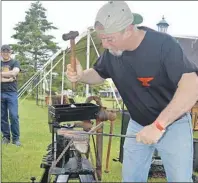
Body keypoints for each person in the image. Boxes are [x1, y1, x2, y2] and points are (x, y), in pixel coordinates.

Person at [66, 1, 198, 182]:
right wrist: (82, 75)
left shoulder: (163, 45)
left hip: (173, 124)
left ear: (128, 30)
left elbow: (192, 86)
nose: (104, 45)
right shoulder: (112, 51)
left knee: (180, 180)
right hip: (137, 124)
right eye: (101, 38)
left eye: (109, 38)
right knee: (131, 179)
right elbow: (99, 73)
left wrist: (159, 125)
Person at [1, 44, 21, 146]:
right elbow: (11, 75)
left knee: (13, 115)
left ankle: (16, 139)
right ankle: (6, 137)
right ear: (1, 52)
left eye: (7, 51)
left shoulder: (15, 62)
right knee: (2, 116)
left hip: (11, 93)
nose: (5, 53)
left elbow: (14, 73)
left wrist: (2, 76)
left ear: (10, 52)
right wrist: (8, 78)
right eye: (3, 51)